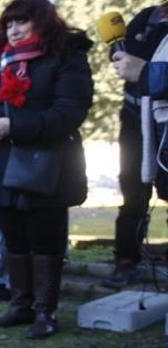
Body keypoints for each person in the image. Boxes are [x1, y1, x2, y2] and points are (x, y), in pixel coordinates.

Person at [0, 0, 93, 339]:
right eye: (9, 24)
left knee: (46, 241)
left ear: (43, 23)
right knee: (15, 240)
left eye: (22, 22)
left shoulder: (68, 57)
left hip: (48, 167)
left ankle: (45, 312)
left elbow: (69, 112)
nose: (14, 29)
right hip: (3, 166)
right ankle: (21, 305)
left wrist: (13, 126)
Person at [102, 5, 168, 289]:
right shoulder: (148, 15)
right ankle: (126, 260)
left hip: (164, 121)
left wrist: (143, 68)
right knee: (132, 190)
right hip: (134, 118)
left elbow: (145, 65)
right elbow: (121, 55)